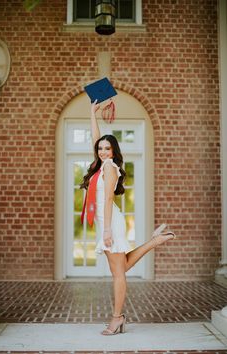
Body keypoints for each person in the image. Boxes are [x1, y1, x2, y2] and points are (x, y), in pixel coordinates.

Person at [80, 100, 176, 336]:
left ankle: (117, 318)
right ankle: (154, 241)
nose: (102, 151)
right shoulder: (100, 165)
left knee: (118, 273)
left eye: (107, 148)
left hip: (111, 221)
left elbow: (109, 200)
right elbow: (96, 138)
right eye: (100, 148)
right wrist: (92, 113)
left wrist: (107, 231)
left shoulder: (110, 168)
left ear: (114, 152)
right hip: (108, 221)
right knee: (121, 268)